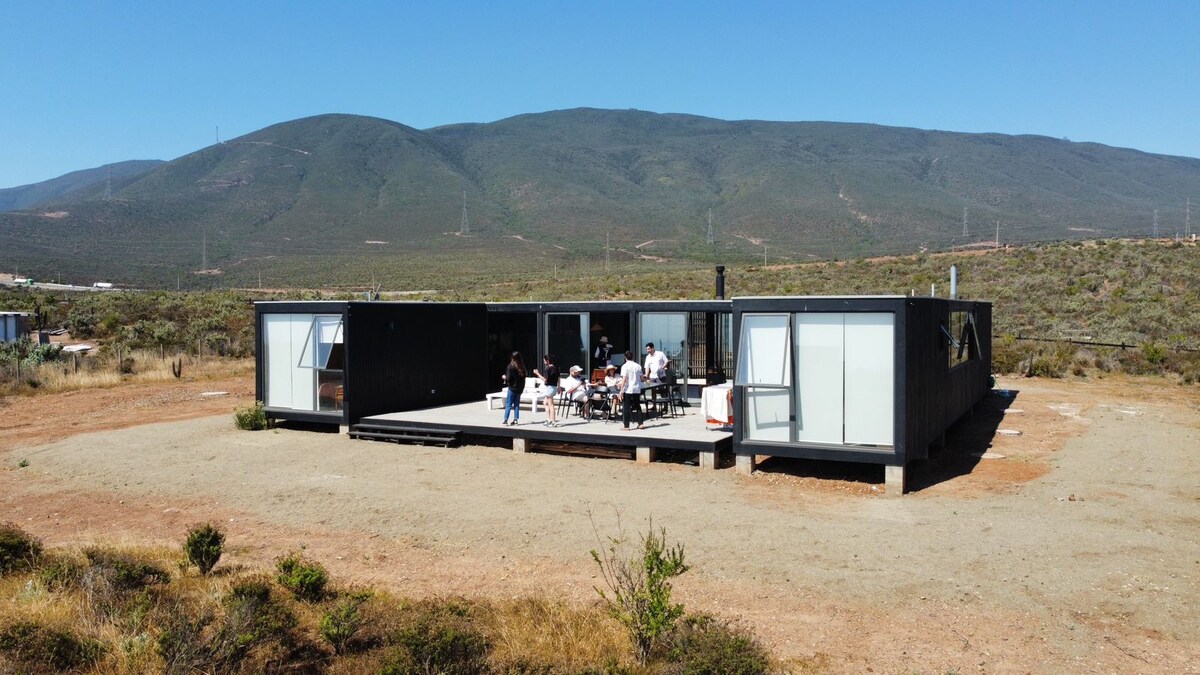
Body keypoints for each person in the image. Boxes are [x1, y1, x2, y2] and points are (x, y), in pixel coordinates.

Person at [618, 350, 644, 430]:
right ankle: (640, 423)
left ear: (625, 357)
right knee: (637, 405)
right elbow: (642, 378)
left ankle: (626, 426)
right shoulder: (638, 366)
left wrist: (621, 391)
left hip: (628, 389)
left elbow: (624, 379)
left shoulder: (624, 366)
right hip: (636, 388)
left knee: (626, 407)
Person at [532, 354, 560, 427]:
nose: (544, 361)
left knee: (551, 405)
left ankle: (553, 421)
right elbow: (558, 378)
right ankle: (548, 419)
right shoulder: (555, 367)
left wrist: (537, 373)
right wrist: (559, 387)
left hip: (550, 387)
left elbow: (545, 380)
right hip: (553, 387)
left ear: (547, 361)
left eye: (544, 360)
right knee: (545, 403)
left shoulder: (548, 369)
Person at [501, 351, 526, 426]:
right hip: (519, 388)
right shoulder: (522, 366)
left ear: (512, 358)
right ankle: (515, 420)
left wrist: (504, 377)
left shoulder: (510, 366)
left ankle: (505, 419)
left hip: (512, 388)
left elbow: (508, 378)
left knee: (508, 404)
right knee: (516, 404)